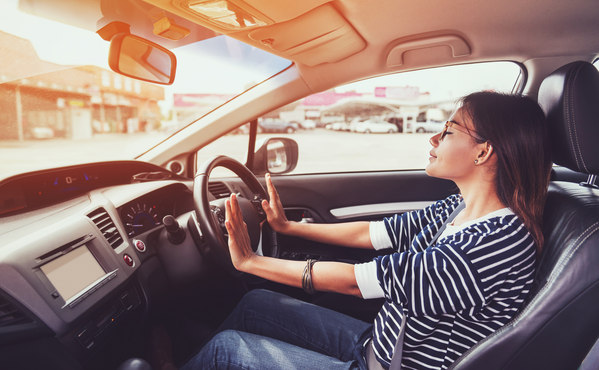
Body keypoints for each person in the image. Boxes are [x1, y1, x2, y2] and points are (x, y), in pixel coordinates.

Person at [181, 91, 552, 370]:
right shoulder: (460, 206)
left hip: (391, 365)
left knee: (226, 349)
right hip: (380, 344)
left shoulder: (492, 244)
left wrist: (251, 262)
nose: (433, 139)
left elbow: (355, 282)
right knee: (256, 304)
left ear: (483, 152)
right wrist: (288, 226)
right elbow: (374, 234)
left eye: (449, 131)